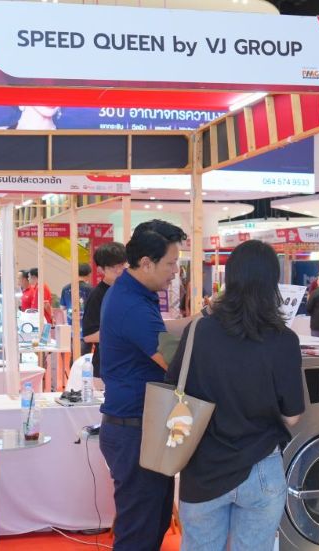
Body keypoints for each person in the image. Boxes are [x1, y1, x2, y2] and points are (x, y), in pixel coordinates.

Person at [166, 240, 305, 551]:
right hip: (261, 468)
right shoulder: (284, 340)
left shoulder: (199, 331)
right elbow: (293, 415)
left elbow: (175, 388)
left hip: (203, 468)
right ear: (272, 282)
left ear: (230, 279)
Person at [99, 220, 189, 550]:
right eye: (171, 264)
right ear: (147, 262)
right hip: (134, 431)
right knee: (139, 533)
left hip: (141, 427)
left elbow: (160, 330)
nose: (175, 272)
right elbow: (173, 361)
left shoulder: (134, 293)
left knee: (153, 523)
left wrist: (202, 320)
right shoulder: (132, 305)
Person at [82, 242, 128, 378]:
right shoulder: (97, 295)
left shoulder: (131, 291)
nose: (119, 270)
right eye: (113, 267)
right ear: (101, 269)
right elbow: (88, 336)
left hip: (130, 365)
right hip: (106, 366)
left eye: (122, 265)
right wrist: (125, 333)